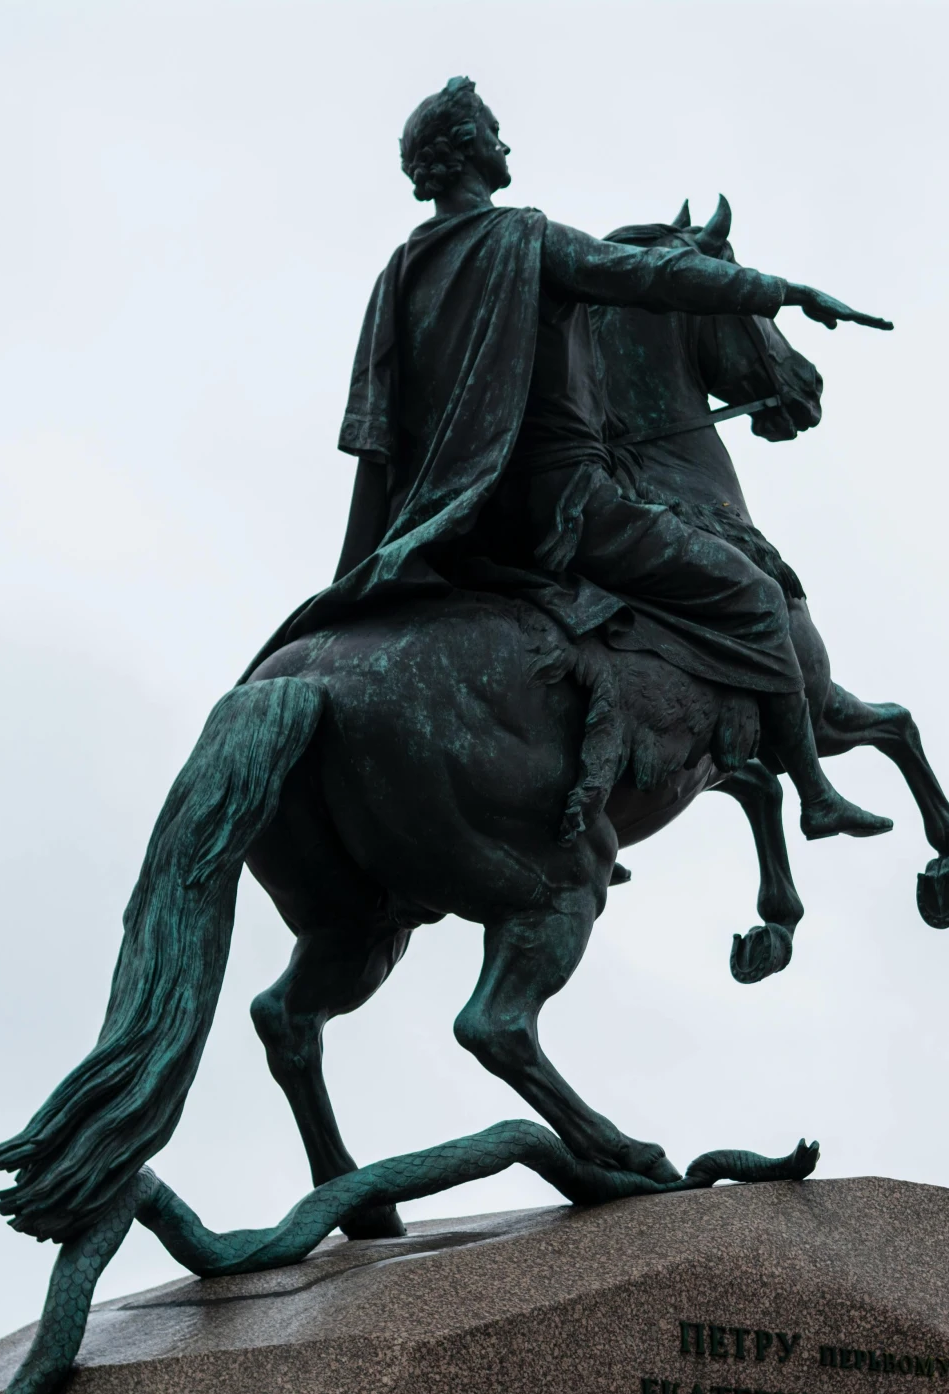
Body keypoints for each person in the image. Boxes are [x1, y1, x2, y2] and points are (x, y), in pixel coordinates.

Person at [259, 77, 890, 840]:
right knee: (757, 598)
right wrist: (777, 293)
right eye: (493, 132)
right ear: (464, 152)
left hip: (456, 530)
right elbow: (653, 276)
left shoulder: (398, 274)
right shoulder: (522, 238)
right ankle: (816, 795)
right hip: (567, 507)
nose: (505, 145)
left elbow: (373, 433)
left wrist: (360, 570)